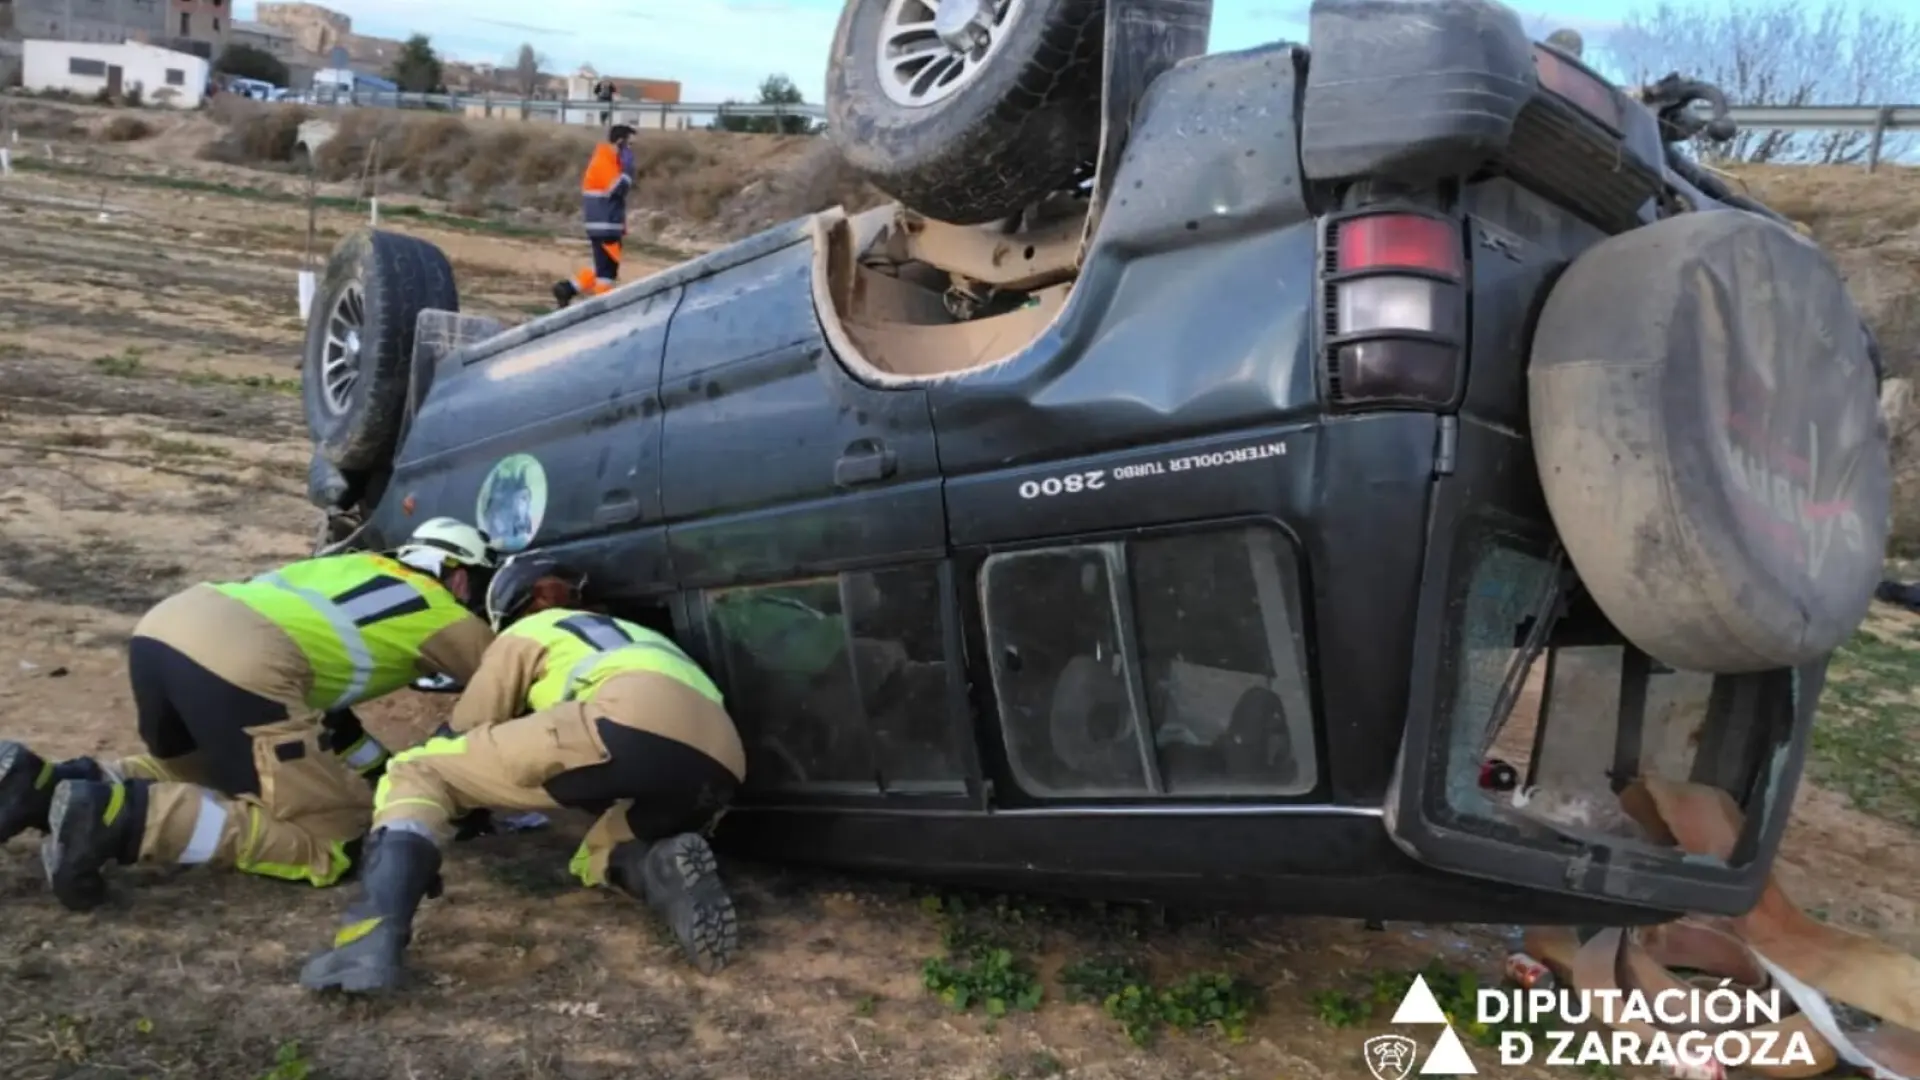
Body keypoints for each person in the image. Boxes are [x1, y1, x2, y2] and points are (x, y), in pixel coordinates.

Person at [300, 554, 745, 994]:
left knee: (417, 770)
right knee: (602, 849)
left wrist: (450, 792)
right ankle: (658, 866)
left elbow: (466, 727)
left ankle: (366, 941)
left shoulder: (531, 629)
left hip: (622, 723)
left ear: (516, 608)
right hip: (720, 763)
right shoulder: (642, 637)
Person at [0, 518, 498, 911]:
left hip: (167, 630)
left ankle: (41, 785)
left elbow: (332, 720)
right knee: (333, 843)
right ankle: (120, 821)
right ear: (459, 574)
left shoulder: (352, 565)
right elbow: (505, 686)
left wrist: (380, 771)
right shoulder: (446, 612)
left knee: (205, 769)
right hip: (245, 662)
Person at [551, 125, 635, 310]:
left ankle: (567, 289)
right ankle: (602, 308)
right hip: (605, 225)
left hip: (605, 223)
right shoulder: (604, 161)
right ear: (620, 143)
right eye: (629, 145)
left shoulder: (606, 160)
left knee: (601, 265)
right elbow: (617, 189)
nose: (630, 150)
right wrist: (628, 171)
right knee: (607, 273)